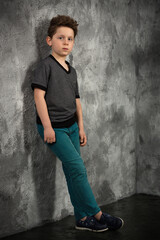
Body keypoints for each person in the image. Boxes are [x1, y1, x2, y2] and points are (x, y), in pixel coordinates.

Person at [31, 15, 124, 233]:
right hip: (54, 128)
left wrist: (81, 127)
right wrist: (47, 127)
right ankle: (98, 214)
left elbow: (77, 102)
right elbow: (38, 97)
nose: (65, 42)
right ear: (49, 40)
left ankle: (82, 218)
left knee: (73, 171)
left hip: (72, 127)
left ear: (73, 42)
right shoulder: (44, 67)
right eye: (60, 37)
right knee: (78, 169)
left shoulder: (72, 71)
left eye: (70, 39)